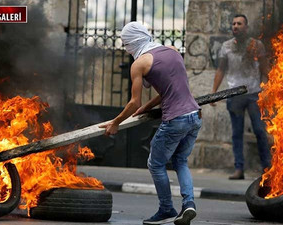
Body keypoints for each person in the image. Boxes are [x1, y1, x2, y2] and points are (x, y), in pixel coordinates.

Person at [99, 21, 202, 225]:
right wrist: (147, 107)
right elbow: (172, 89)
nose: (126, 49)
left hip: (175, 120)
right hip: (195, 115)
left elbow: (133, 102)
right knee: (180, 161)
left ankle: (166, 209)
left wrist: (116, 122)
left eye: (126, 44)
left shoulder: (140, 64)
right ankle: (189, 204)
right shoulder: (172, 51)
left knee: (155, 164)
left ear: (131, 42)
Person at [211, 14, 271, 180]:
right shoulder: (226, 47)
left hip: (253, 94)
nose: (235, 26)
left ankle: (267, 167)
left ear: (246, 27)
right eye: (233, 24)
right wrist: (215, 93)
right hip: (234, 94)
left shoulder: (256, 45)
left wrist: (269, 90)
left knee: (259, 130)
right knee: (237, 133)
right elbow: (221, 70)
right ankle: (239, 169)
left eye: (239, 24)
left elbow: (265, 69)